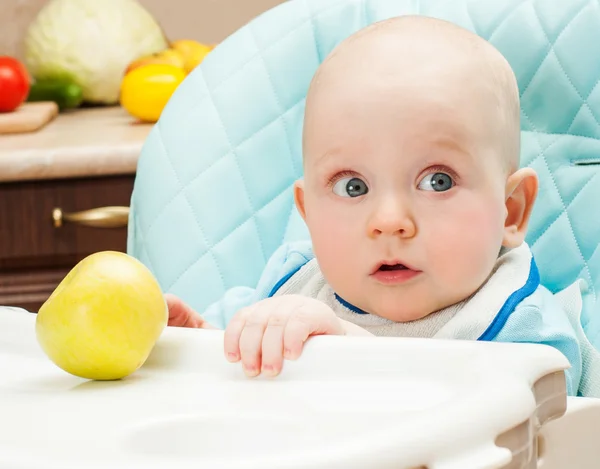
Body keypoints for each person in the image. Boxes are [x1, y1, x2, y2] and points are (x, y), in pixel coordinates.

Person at [165, 15, 583, 394]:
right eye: (352, 186)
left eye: (437, 181)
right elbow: (240, 359)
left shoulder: (521, 327)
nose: (389, 221)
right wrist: (198, 343)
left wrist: (348, 350)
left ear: (510, 211)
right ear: (308, 213)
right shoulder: (291, 284)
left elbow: (521, 419)